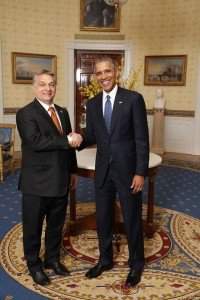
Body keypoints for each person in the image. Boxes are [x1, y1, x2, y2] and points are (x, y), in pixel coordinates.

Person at [78, 56, 149, 287]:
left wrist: (140, 172)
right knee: (103, 217)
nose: (103, 76)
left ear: (116, 72)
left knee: (131, 219)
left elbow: (141, 139)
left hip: (128, 172)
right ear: (95, 76)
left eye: (107, 71)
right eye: (99, 73)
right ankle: (105, 259)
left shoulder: (133, 99)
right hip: (103, 171)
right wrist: (79, 138)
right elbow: (92, 135)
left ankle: (136, 263)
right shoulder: (93, 103)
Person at [16, 70, 82, 286]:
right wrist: (66, 140)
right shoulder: (26, 113)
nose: (48, 88)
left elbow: (69, 149)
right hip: (36, 183)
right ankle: (34, 265)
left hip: (61, 180)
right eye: (43, 84)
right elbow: (36, 142)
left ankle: (52, 259)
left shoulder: (62, 112)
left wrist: (73, 171)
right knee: (33, 228)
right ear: (35, 88)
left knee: (56, 225)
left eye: (51, 84)